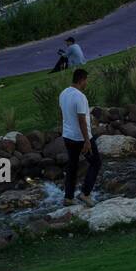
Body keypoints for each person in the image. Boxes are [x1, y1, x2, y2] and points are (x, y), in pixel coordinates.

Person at [59, 68, 100, 206]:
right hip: (81, 138)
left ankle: (68, 197)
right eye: (86, 80)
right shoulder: (80, 97)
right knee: (96, 163)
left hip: (67, 136)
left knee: (73, 166)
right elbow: (81, 119)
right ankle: (85, 194)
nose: (86, 83)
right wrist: (87, 141)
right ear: (82, 80)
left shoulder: (63, 93)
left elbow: (64, 114)